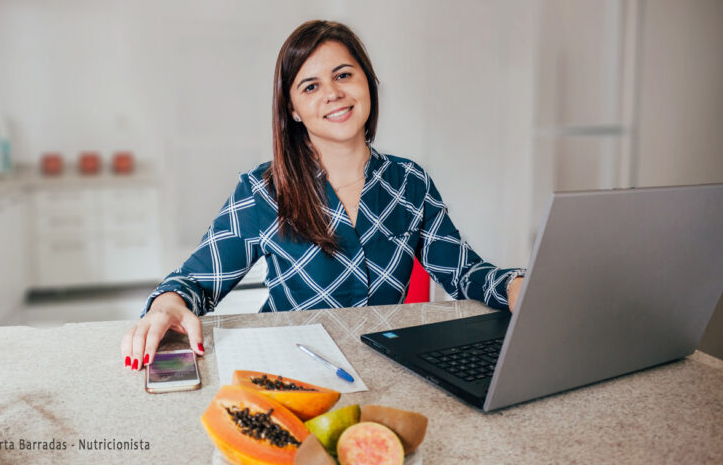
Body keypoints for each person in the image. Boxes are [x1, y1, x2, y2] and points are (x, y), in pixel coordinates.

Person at [121, 20, 525, 371]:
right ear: (293, 109)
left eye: (344, 75)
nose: (332, 93)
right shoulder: (264, 190)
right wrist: (167, 305)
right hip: (292, 370)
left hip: (388, 370)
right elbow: (194, 281)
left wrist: (515, 286)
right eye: (311, 85)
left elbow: (462, 272)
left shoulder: (410, 182)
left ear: (367, 81)